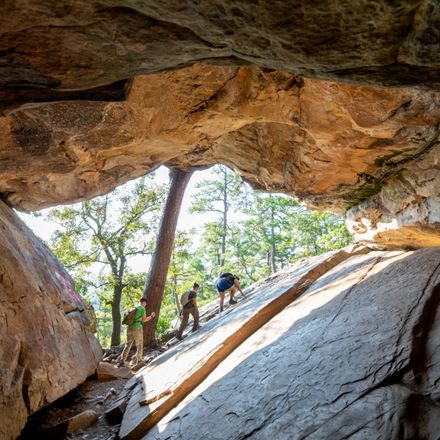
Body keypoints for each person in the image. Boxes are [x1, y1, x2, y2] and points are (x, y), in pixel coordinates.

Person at [118, 298, 155, 367]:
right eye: (145, 303)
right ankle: (139, 361)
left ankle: (121, 361)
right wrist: (151, 316)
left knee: (128, 345)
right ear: (144, 303)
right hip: (137, 328)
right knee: (139, 344)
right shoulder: (142, 309)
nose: (145, 305)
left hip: (129, 328)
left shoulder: (134, 308)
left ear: (139, 302)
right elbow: (144, 320)